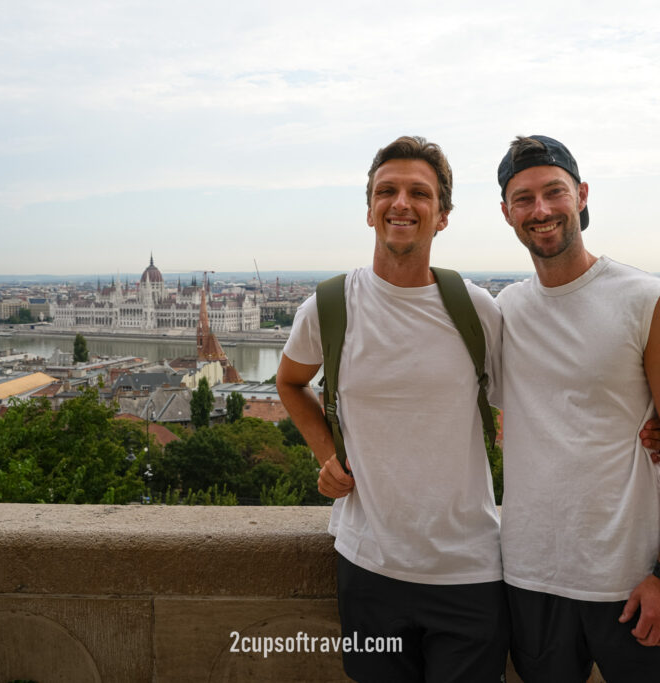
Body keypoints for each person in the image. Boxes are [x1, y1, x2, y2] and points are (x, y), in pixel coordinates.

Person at [276, 135, 510, 682]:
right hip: (369, 565)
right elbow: (290, 383)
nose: (401, 203)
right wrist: (328, 455)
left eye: (418, 193)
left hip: (469, 569)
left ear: (443, 217)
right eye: (387, 191)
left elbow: (533, 399)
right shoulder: (329, 307)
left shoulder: (477, 310)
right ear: (369, 210)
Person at [494, 135, 660, 683]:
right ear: (506, 213)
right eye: (524, 199)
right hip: (530, 579)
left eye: (554, 193)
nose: (541, 210)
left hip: (633, 578)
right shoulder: (504, 311)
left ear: (582, 195)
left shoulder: (650, 300)